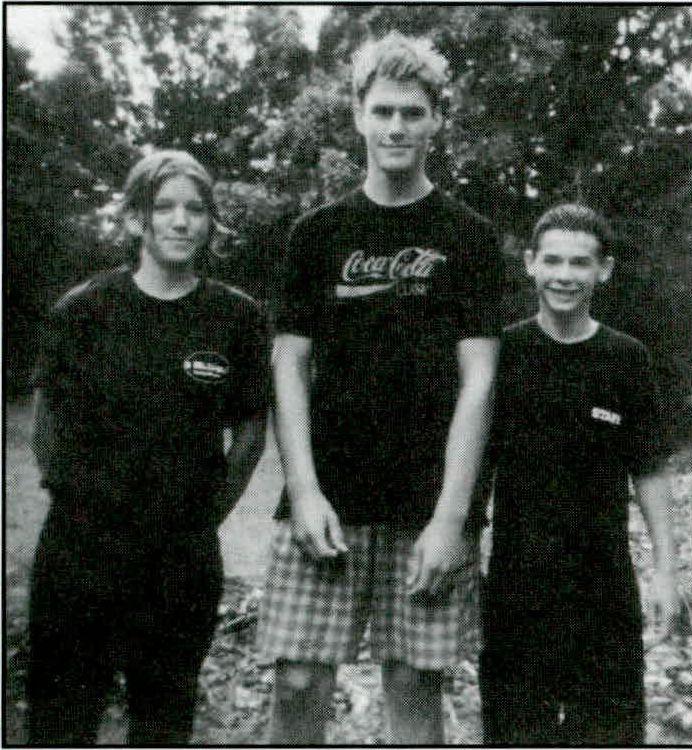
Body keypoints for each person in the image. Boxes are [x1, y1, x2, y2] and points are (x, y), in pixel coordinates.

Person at [256, 31, 504, 745]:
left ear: (437, 121)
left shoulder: (469, 237)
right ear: (359, 115)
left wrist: (451, 518)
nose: (397, 126)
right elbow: (288, 365)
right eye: (384, 110)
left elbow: (480, 380)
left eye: (413, 112)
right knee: (297, 682)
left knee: (415, 689)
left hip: (428, 506)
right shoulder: (317, 234)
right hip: (327, 499)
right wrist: (303, 490)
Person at [27, 150, 269, 745]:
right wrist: (84, 506)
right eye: (164, 208)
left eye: (195, 209)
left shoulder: (235, 317)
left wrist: (201, 515)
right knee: (61, 723)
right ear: (136, 219)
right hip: (80, 555)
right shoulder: (84, 309)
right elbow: (45, 425)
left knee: (163, 722)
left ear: (210, 221)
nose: (181, 222)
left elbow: (250, 434)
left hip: (180, 563)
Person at [478, 203, 680, 745]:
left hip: (603, 586)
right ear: (530, 263)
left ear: (603, 270)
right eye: (553, 261)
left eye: (580, 262)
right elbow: (473, 466)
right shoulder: (502, 353)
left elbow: (650, 471)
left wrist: (665, 571)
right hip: (517, 585)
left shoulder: (626, 358)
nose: (564, 275)